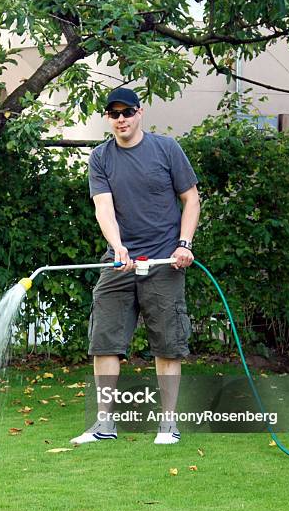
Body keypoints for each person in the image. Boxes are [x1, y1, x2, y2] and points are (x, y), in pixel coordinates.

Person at [70, 88, 200, 445]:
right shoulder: (101, 158)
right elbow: (103, 208)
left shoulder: (166, 149)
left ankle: (167, 426)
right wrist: (118, 248)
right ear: (108, 118)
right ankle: (104, 427)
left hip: (164, 260)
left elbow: (190, 200)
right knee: (104, 341)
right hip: (120, 262)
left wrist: (183, 244)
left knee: (167, 344)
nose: (121, 119)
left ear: (139, 113)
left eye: (127, 112)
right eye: (113, 114)